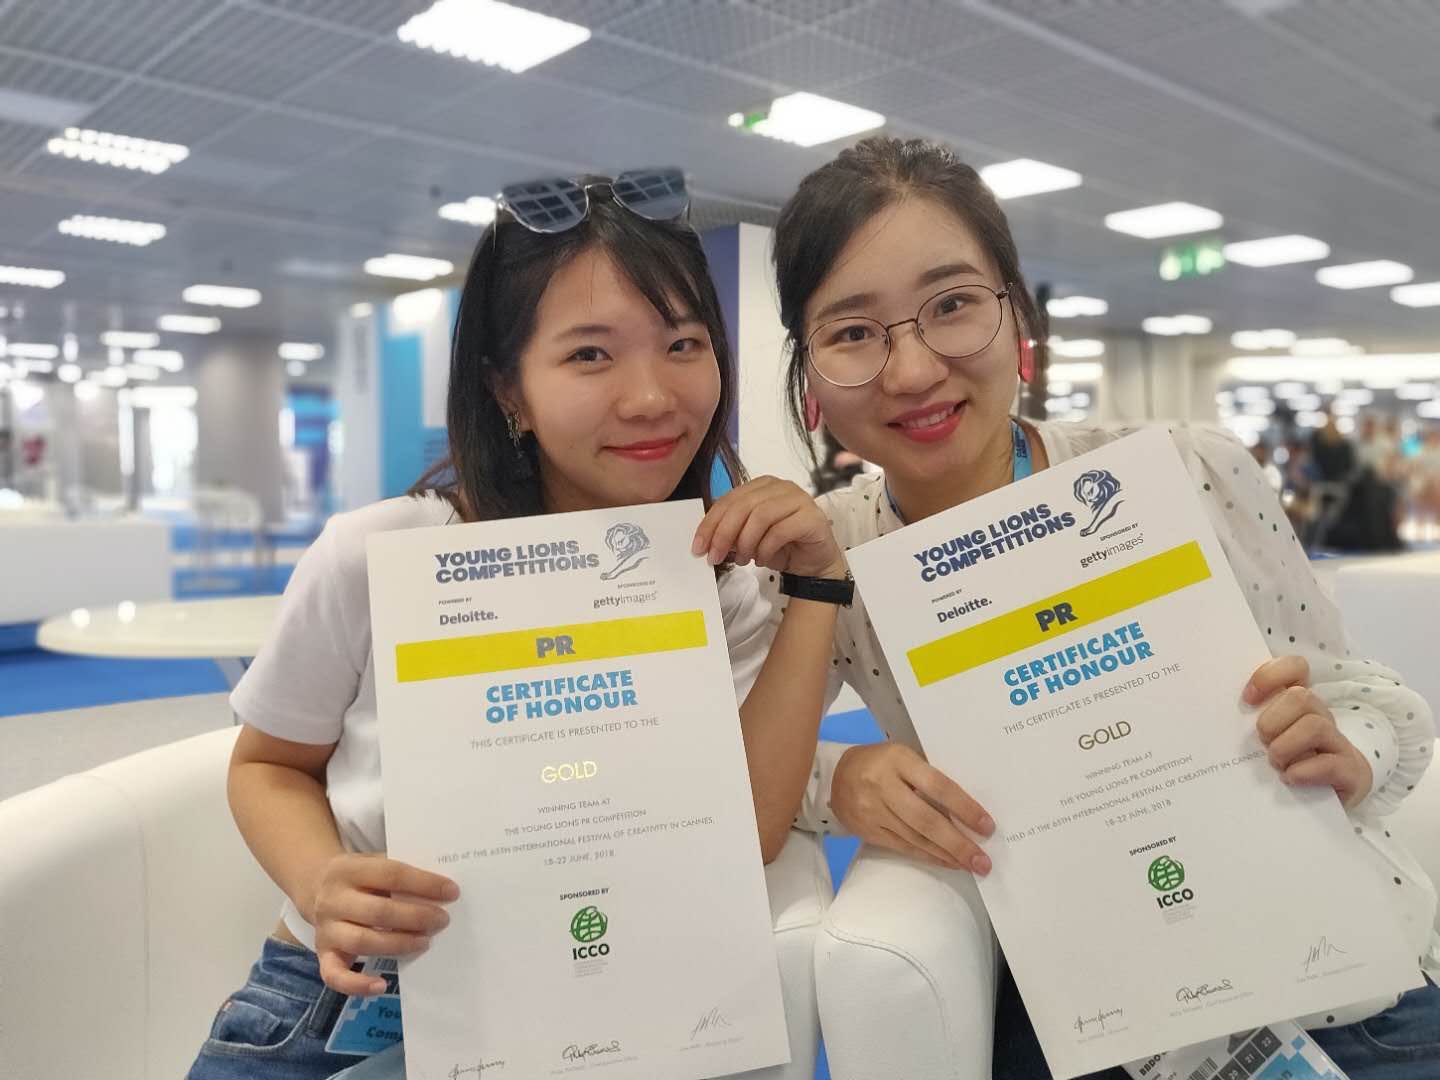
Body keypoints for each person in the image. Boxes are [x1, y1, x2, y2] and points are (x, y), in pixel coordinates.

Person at [764, 136, 1438, 1079]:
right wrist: (844, 776)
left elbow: (1374, 702)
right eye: (852, 333)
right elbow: (722, 788)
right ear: (809, 378)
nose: (912, 371)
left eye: (952, 305)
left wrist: (1345, 747)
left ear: (1018, 319)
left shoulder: (1181, 471)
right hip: (1103, 1026)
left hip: (1341, 1002)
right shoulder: (828, 556)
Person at [186, 172, 847, 1080]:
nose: (652, 396)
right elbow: (267, 765)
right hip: (347, 1006)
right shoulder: (381, 555)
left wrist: (817, 583)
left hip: (597, 998)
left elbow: (748, 830)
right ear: (508, 390)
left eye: (683, 343)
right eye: (590, 354)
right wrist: (319, 880)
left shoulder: (716, 577)